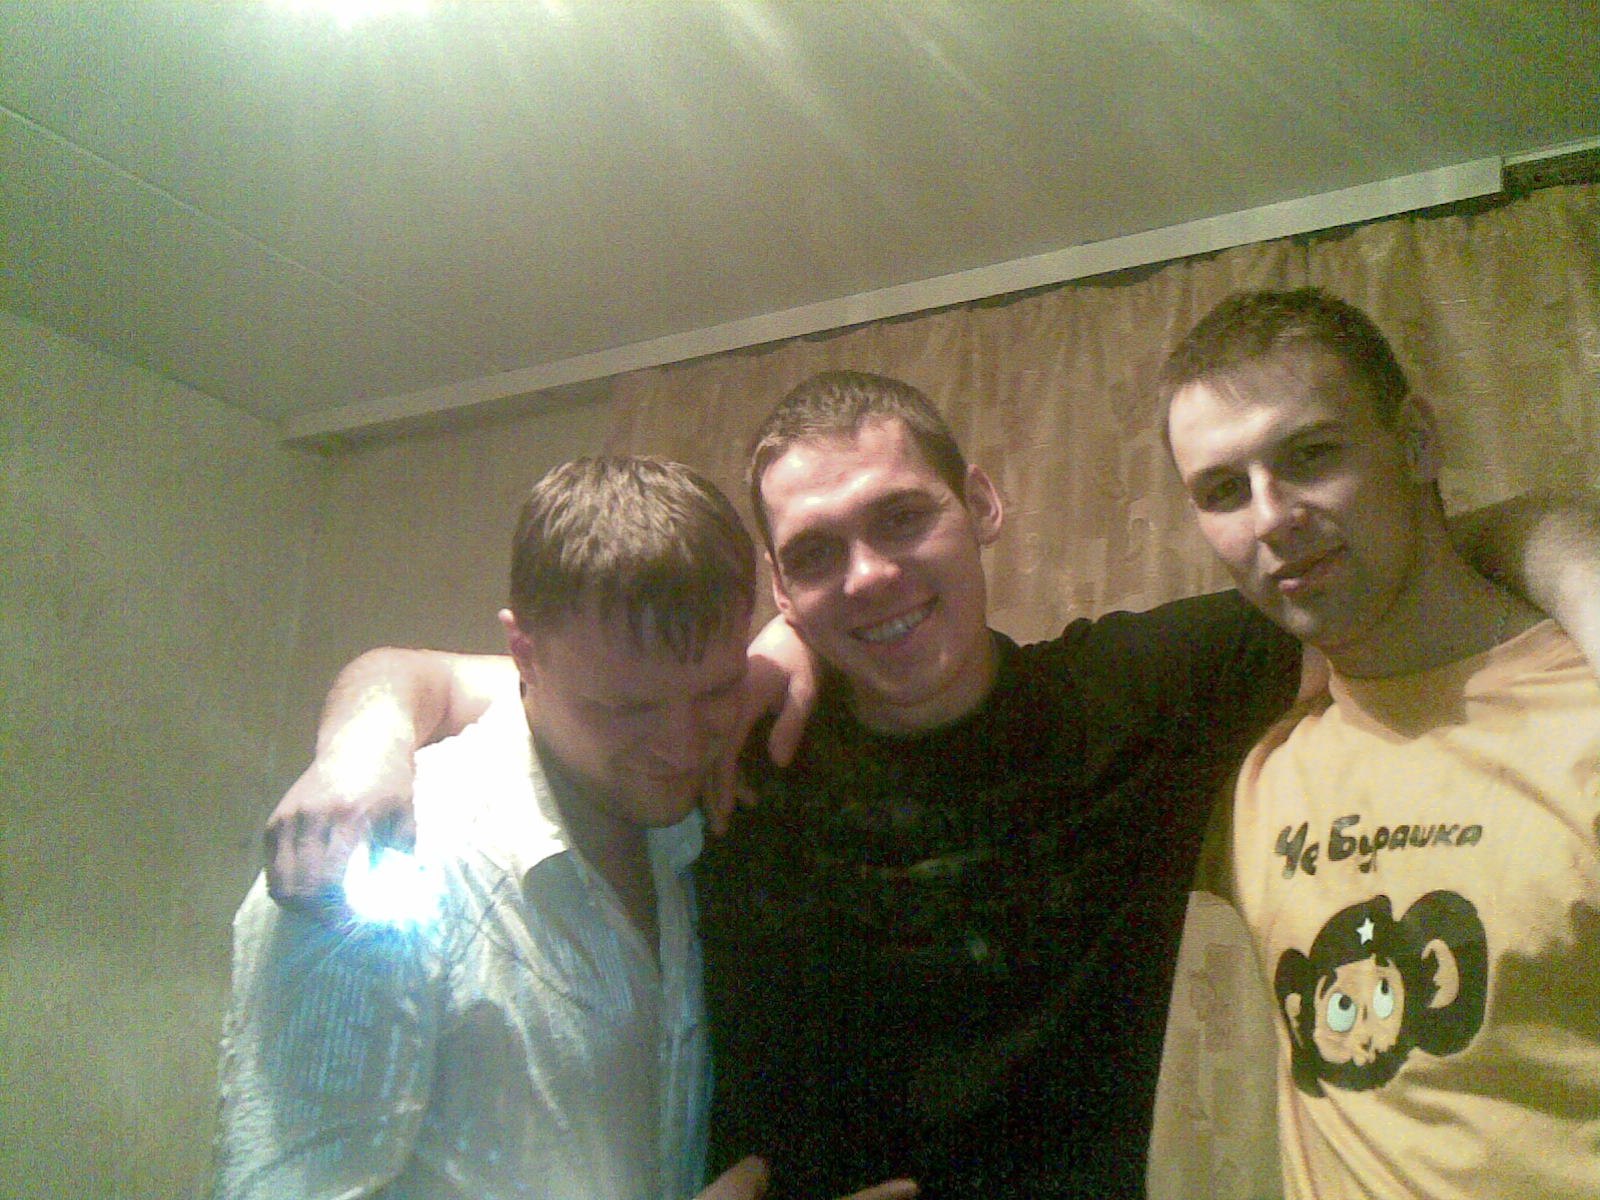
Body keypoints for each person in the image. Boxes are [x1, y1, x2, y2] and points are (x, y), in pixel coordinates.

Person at [263, 372, 1595, 1198]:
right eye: (816, 553)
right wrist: (361, 746)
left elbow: (1399, 559)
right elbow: (433, 679)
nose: (871, 578)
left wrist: (1571, 563)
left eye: (904, 518)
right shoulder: (725, 723)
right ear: (780, 588)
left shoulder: (1145, 692)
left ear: (983, 504)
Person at [214, 457, 775, 1200]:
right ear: (524, 655)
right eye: (628, 709)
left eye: (717, 691)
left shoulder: (689, 833)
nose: (683, 745)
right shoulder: (380, 861)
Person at [1160, 288, 1600, 1199]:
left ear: (1417, 443)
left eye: (1311, 455)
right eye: (1223, 491)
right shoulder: (1255, 769)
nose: (1270, 517)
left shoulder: (1582, 710)